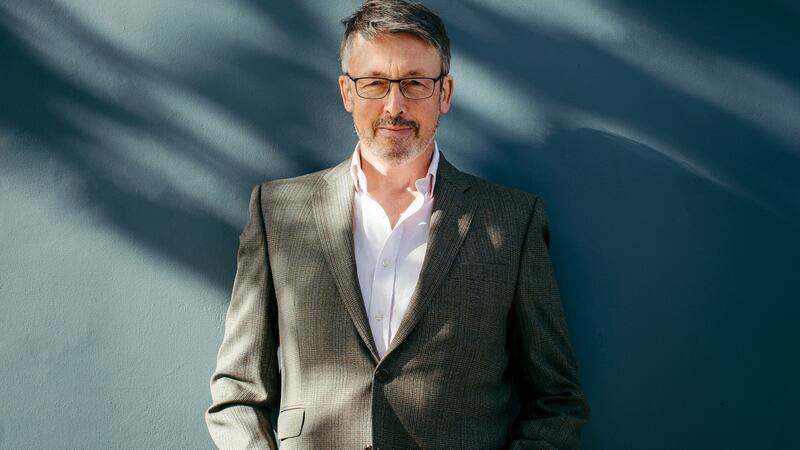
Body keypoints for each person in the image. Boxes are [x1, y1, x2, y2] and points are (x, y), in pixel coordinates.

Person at [205, 1, 589, 448]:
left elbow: (557, 400)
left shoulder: (512, 220)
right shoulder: (278, 212)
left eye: (414, 83)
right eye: (375, 83)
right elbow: (237, 391)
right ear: (347, 93)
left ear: (444, 93)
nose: (395, 105)